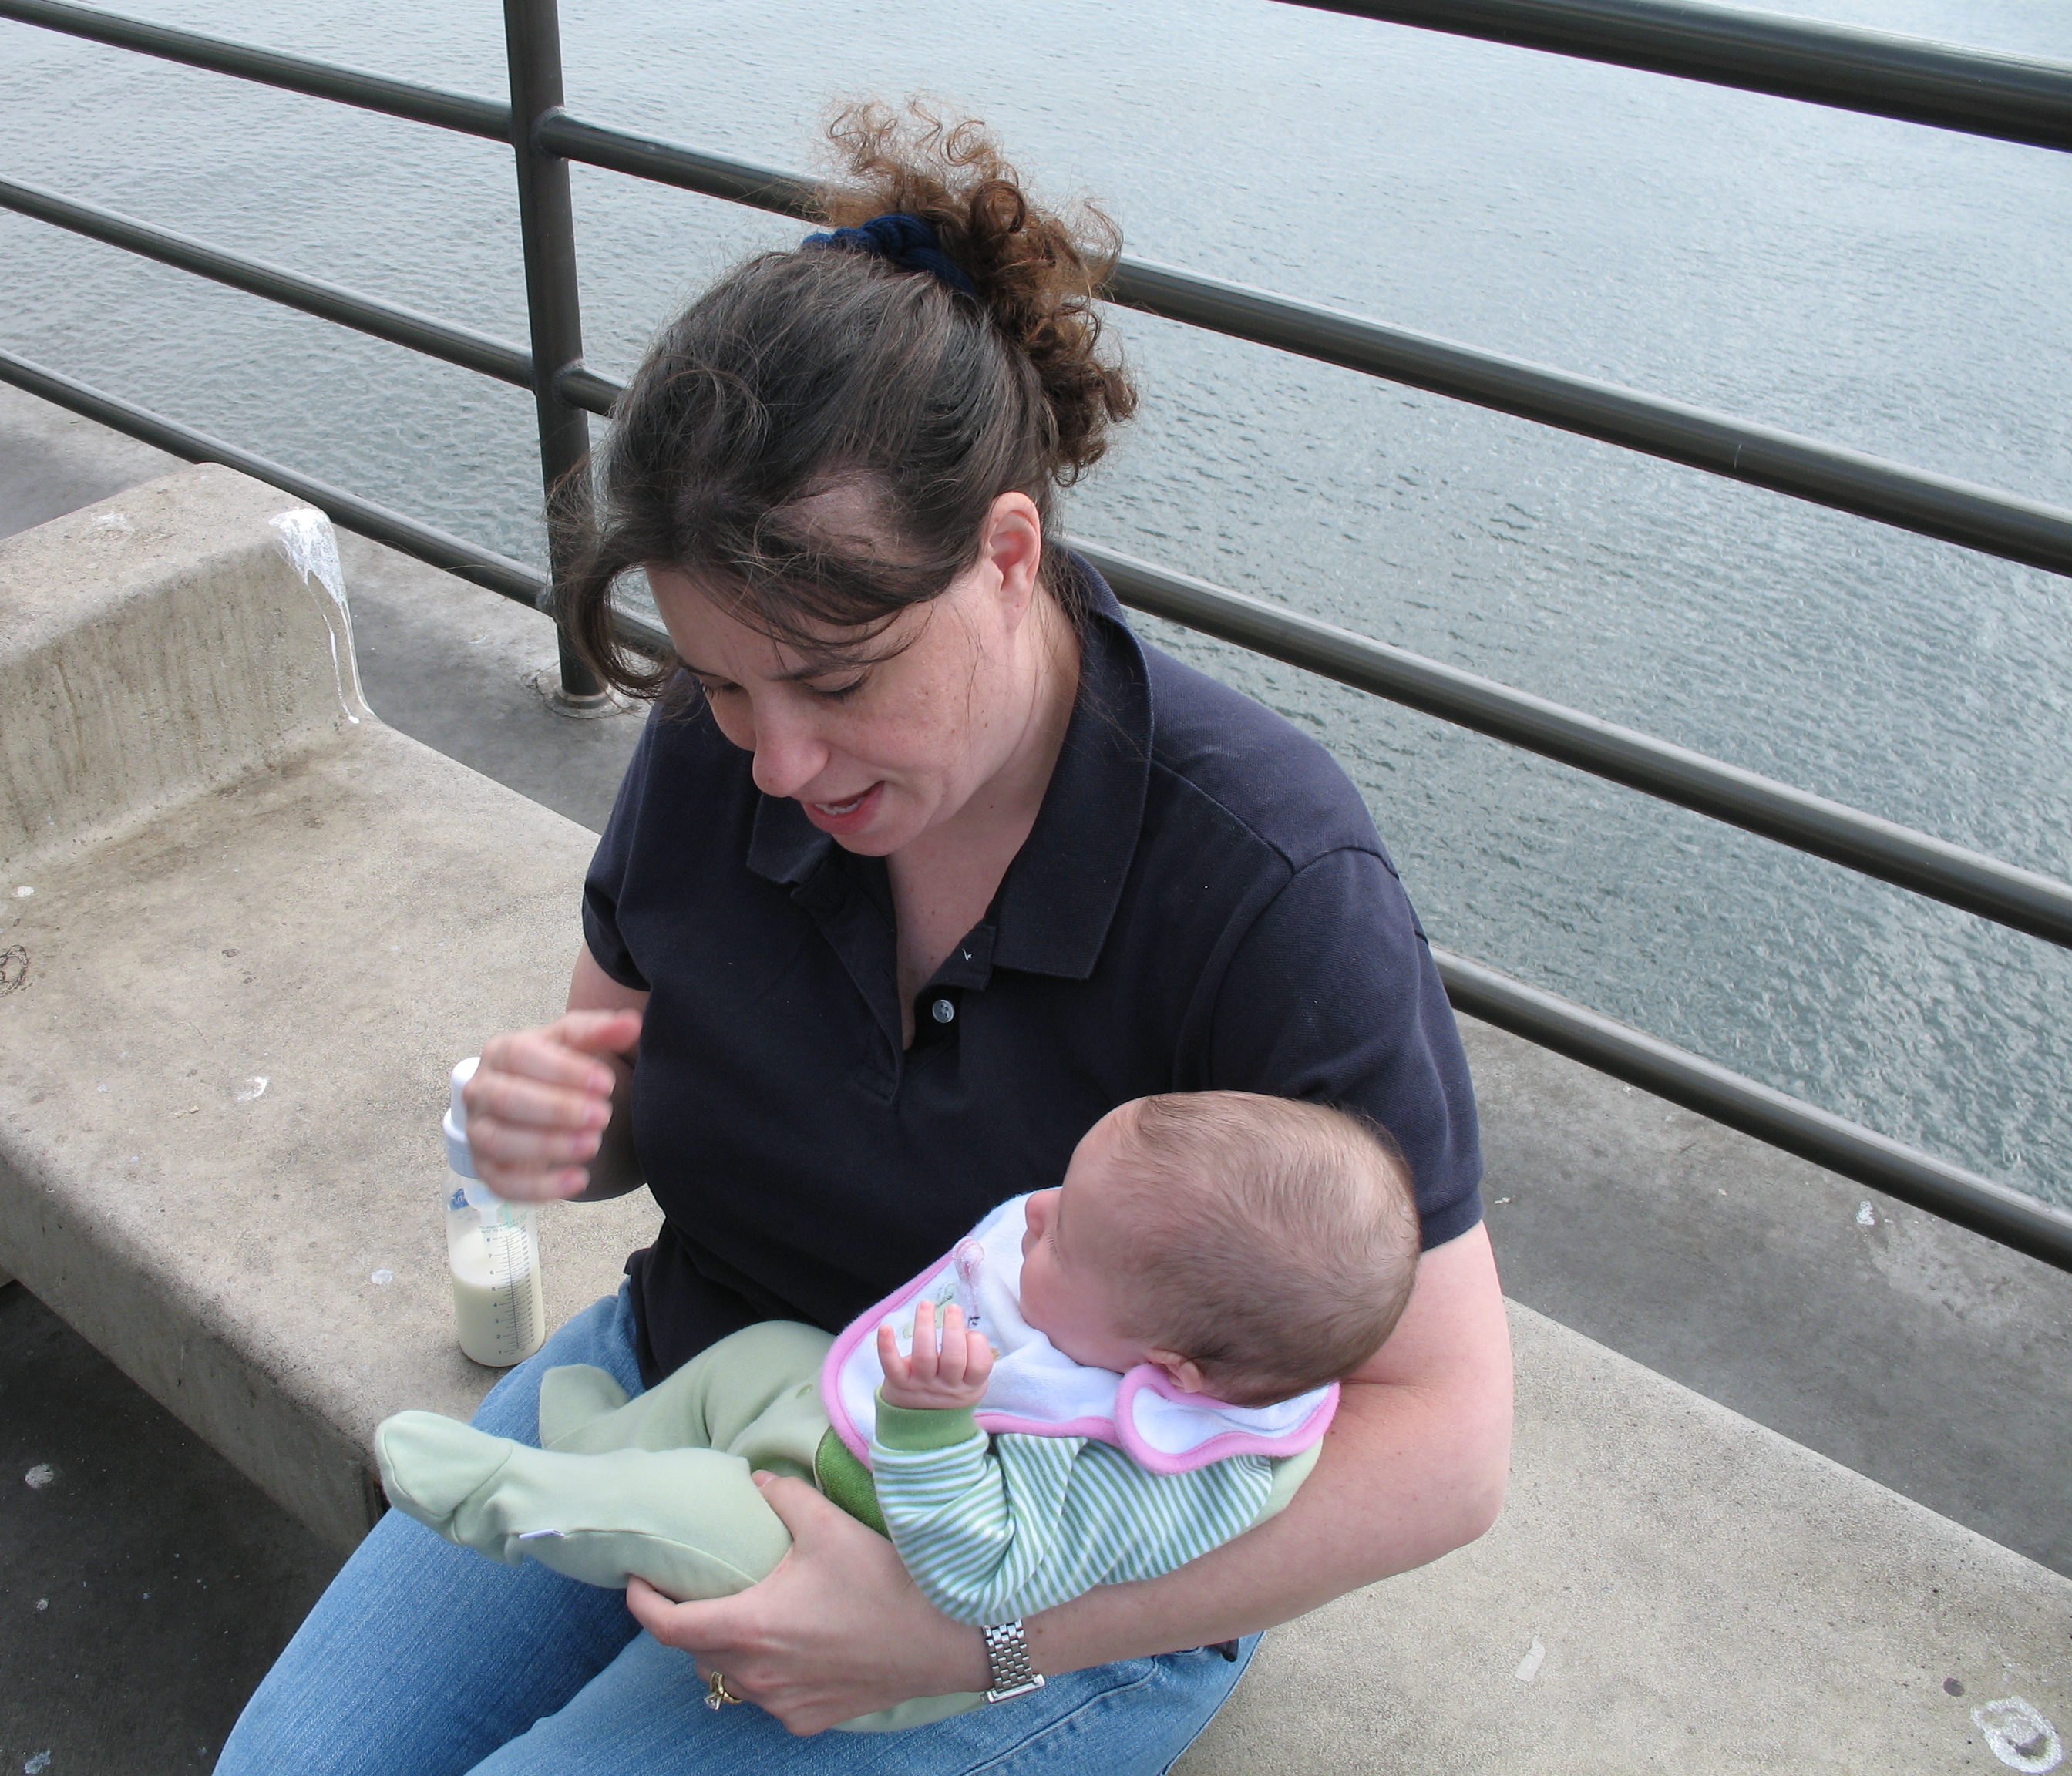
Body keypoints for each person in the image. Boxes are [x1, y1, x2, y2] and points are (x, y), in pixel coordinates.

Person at [217, 100, 1512, 1776]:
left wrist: (964, 1638)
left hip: (1040, 1544)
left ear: (1007, 555)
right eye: (721, 681)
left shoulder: (1266, 877)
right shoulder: (724, 749)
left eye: (833, 682)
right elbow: (625, 1096)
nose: (776, 762)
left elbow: (1449, 1439)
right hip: (706, 1372)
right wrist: (563, 1126)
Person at [372, 1092, 1420, 1733]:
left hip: (878, 1589)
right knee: (764, 1356)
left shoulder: (1130, 1469)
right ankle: (602, 1439)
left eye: (1064, 1242)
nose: (1035, 1215)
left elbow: (983, 1575)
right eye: (1061, 1195)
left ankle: (515, 1496)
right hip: (852, 1463)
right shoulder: (1160, 1330)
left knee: (690, 1508)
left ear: (1171, 1369)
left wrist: (928, 1423)